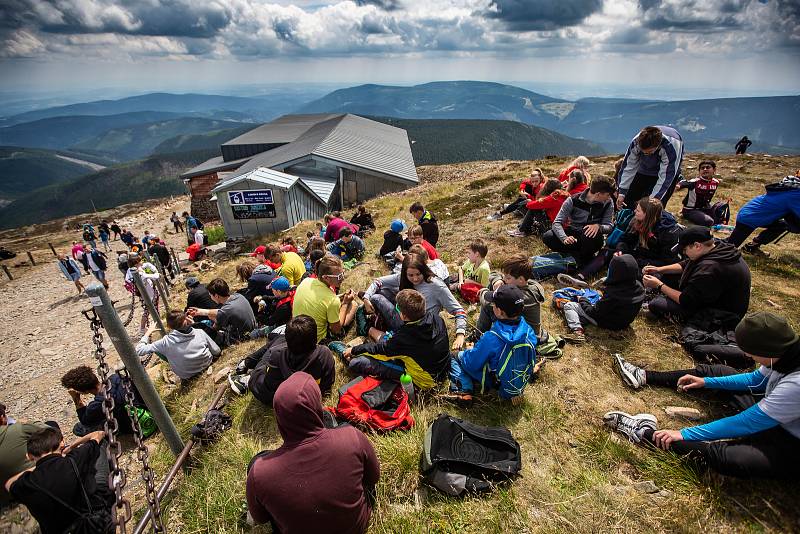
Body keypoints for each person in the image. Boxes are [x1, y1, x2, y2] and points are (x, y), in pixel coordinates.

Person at [607, 312, 800, 479]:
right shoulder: (784, 354)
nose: (748, 357)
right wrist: (707, 382)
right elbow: (754, 379)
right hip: (774, 418)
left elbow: (748, 422)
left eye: (750, 353)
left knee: (728, 458)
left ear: (767, 351)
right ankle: (643, 376)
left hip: (790, 444)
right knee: (717, 371)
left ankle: (642, 432)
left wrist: (684, 433)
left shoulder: (795, 384)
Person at [246, 372, 380, 534]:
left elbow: (261, 518)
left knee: (257, 459)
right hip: (355, 528)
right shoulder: (351, 437)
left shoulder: (259, 473)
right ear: (317, 405)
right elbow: (373, 478)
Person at [5, 427, 112, 534]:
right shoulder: (73, 459)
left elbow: (9, 483)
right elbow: (99, 434)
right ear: (61, 444)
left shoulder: (27, 483)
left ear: (29, 456)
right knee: (100, 446)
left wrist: (37, 467)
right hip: (96, 525)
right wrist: (71, 447)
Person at [447, 285, 537, 404]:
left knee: (454, 357)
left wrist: (469, 351)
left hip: (496, 384)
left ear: (499, 311)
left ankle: (464, 389)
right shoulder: (528, 331)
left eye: (494, 304)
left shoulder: (492, 338)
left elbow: (472, 364)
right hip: (517, 382)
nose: (492, 306)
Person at [344, 289, 450, 389]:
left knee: (357, 363)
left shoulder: (404, 339)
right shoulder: (437, 319)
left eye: (397, 308)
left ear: (403, 315)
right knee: (389, 341)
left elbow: (380, 351)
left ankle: (344, 349)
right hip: (441, 368)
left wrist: (354, 350)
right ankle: (368, 329)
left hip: (425, 380)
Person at [643, 226, 751, 323]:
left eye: (685, 249)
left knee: (656, 305)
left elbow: (685, 300)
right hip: (714, 297)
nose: (684, 253)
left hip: (720, 314)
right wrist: (659, 269)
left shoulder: (709, 270)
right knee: (668, 276)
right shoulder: (717, 247)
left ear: (697, 245)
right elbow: (686, 264)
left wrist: (659, 285)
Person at [363, 255, 466, 349]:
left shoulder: (436, 285)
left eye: (418, 274)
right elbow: (378, 281)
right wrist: (366, 298)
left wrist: (460, 334)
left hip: (418, 327)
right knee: (382, 291)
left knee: (377, 297)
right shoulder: (402, 278)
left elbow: (458, 310)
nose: (415, 278)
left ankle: (375, 328)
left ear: (424, 270)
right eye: (410, 275)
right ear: (405, 273)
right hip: (404, 314)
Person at [229, 315, 335, 402]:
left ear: (288, 342)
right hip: (308, 398)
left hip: (276, 398)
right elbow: (328, 383)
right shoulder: (324, 354)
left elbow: (269, 387)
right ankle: (246, 363)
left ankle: (246, 372)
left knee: (276, 342)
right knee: (278, 341)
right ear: (315, 337)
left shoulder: (277, 355)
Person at [557, 254, 645, 344]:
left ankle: (577, 332)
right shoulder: (639, 287)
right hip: (624, 322)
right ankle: (582, 318)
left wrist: (582, 300)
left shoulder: (613, 295)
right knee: (597, 299)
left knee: (569, 305)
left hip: (606, 322)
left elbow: (594, 312)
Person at [541, 175, 615, 269]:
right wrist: (564, 238)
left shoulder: (608, 203)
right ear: (598, 194)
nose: (609, 197)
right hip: (574, 233)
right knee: (548, 236)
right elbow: (557, 223)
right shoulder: (572, 200)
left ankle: (577, 259)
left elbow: (609, 226)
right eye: (608, 195)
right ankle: (580, 258)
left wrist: (599, 227)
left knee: (588, 233)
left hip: (591, 238)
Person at [726, 174, 800, 255]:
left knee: (781, 225)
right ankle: (711, 242)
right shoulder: (795, 194)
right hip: (750, 218)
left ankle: (751, 247)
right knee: (728, 249)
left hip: (752, 213)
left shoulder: (788, 189)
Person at [135, 311, 221, 380]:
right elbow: (217, 351)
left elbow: (139, 350)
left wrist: (148, 333)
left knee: (157, 349)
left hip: (187, 375)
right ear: (186, 320)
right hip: (207, 364)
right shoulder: (199, 332)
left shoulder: (165, 342)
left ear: (169, 326)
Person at [476, 253, 545, 337]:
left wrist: (483, 291)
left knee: (489, 307)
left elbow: (487, 302)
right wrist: (497, 280)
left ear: (521, 279)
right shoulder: (526, 282)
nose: (504, 279)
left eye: (508, 278)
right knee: (495, 285)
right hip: (519, 326)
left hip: (526, 337)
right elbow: (493, 274)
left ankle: (478, 336)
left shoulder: (522, 296)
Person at [616, 125, 684, 209]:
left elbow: (665, 177)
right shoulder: (635, 143)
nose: (645, 154)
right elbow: (628, 167)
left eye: (649, 152)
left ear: (658, 145)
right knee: (629, 201)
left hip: (667, 172)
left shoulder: (671, 146)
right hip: (642, 169)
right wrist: (622, 192)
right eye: (643, 151)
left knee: (653, 208)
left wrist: (653, 200)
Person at [292, 255, 357, 343]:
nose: (342, 278)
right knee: (353, 304)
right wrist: (345, 303)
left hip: (296, 332)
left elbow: (319, 300)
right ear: (326, 277)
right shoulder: (332, 300)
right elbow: (336, 329)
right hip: (316, 341)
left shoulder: (306, 281)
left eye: (343, 273)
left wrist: (339, 297)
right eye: (339, 276)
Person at [0, 404, 53, 507]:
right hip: (38, 485)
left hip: (7, 498)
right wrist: (28, 423)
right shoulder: (19, 429)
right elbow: (52, 432)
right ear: (2, 418)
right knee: (51, 425)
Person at [61, 365, 135, 436]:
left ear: (84, 391)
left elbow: (85, 422)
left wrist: (76, 398)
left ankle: (117, 433)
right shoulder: (116, 378)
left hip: (131, 425)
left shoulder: (96, 405)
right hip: (140, 408)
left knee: (78, 428)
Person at [187, 278, 257, 346]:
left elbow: (215, 328)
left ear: (216, 296)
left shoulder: (225, 311)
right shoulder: (239, 296)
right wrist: (201, 311)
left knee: (204, 328)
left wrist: (194, 324)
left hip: (240, 338)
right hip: (253, 328)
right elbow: (222, 312)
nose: (210, 297)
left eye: (210, 295)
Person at [676, 160, 730, 227]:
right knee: (709, 221)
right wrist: (679, 186)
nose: (705, 169)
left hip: (705, 208)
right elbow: (684, 182)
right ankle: (685, 215)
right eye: (702, 168)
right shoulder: (695, 182)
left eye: (708, 167)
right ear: (699, 171)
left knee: (721, 213)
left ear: (714, 170)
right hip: (691, 210)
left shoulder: (716, 182)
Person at [125, 253, 161, 335]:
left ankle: (157, 321)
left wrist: (152, 267)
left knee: (151, 308)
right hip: (148, 293)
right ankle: (143, 328)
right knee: (148, 310)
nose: (142, 261)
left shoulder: (130, 270)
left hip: (143, 293)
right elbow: (155, 276)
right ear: (136, 262)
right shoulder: (139, 273)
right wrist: (156, 273)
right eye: (140, 260)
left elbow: (146, 265)